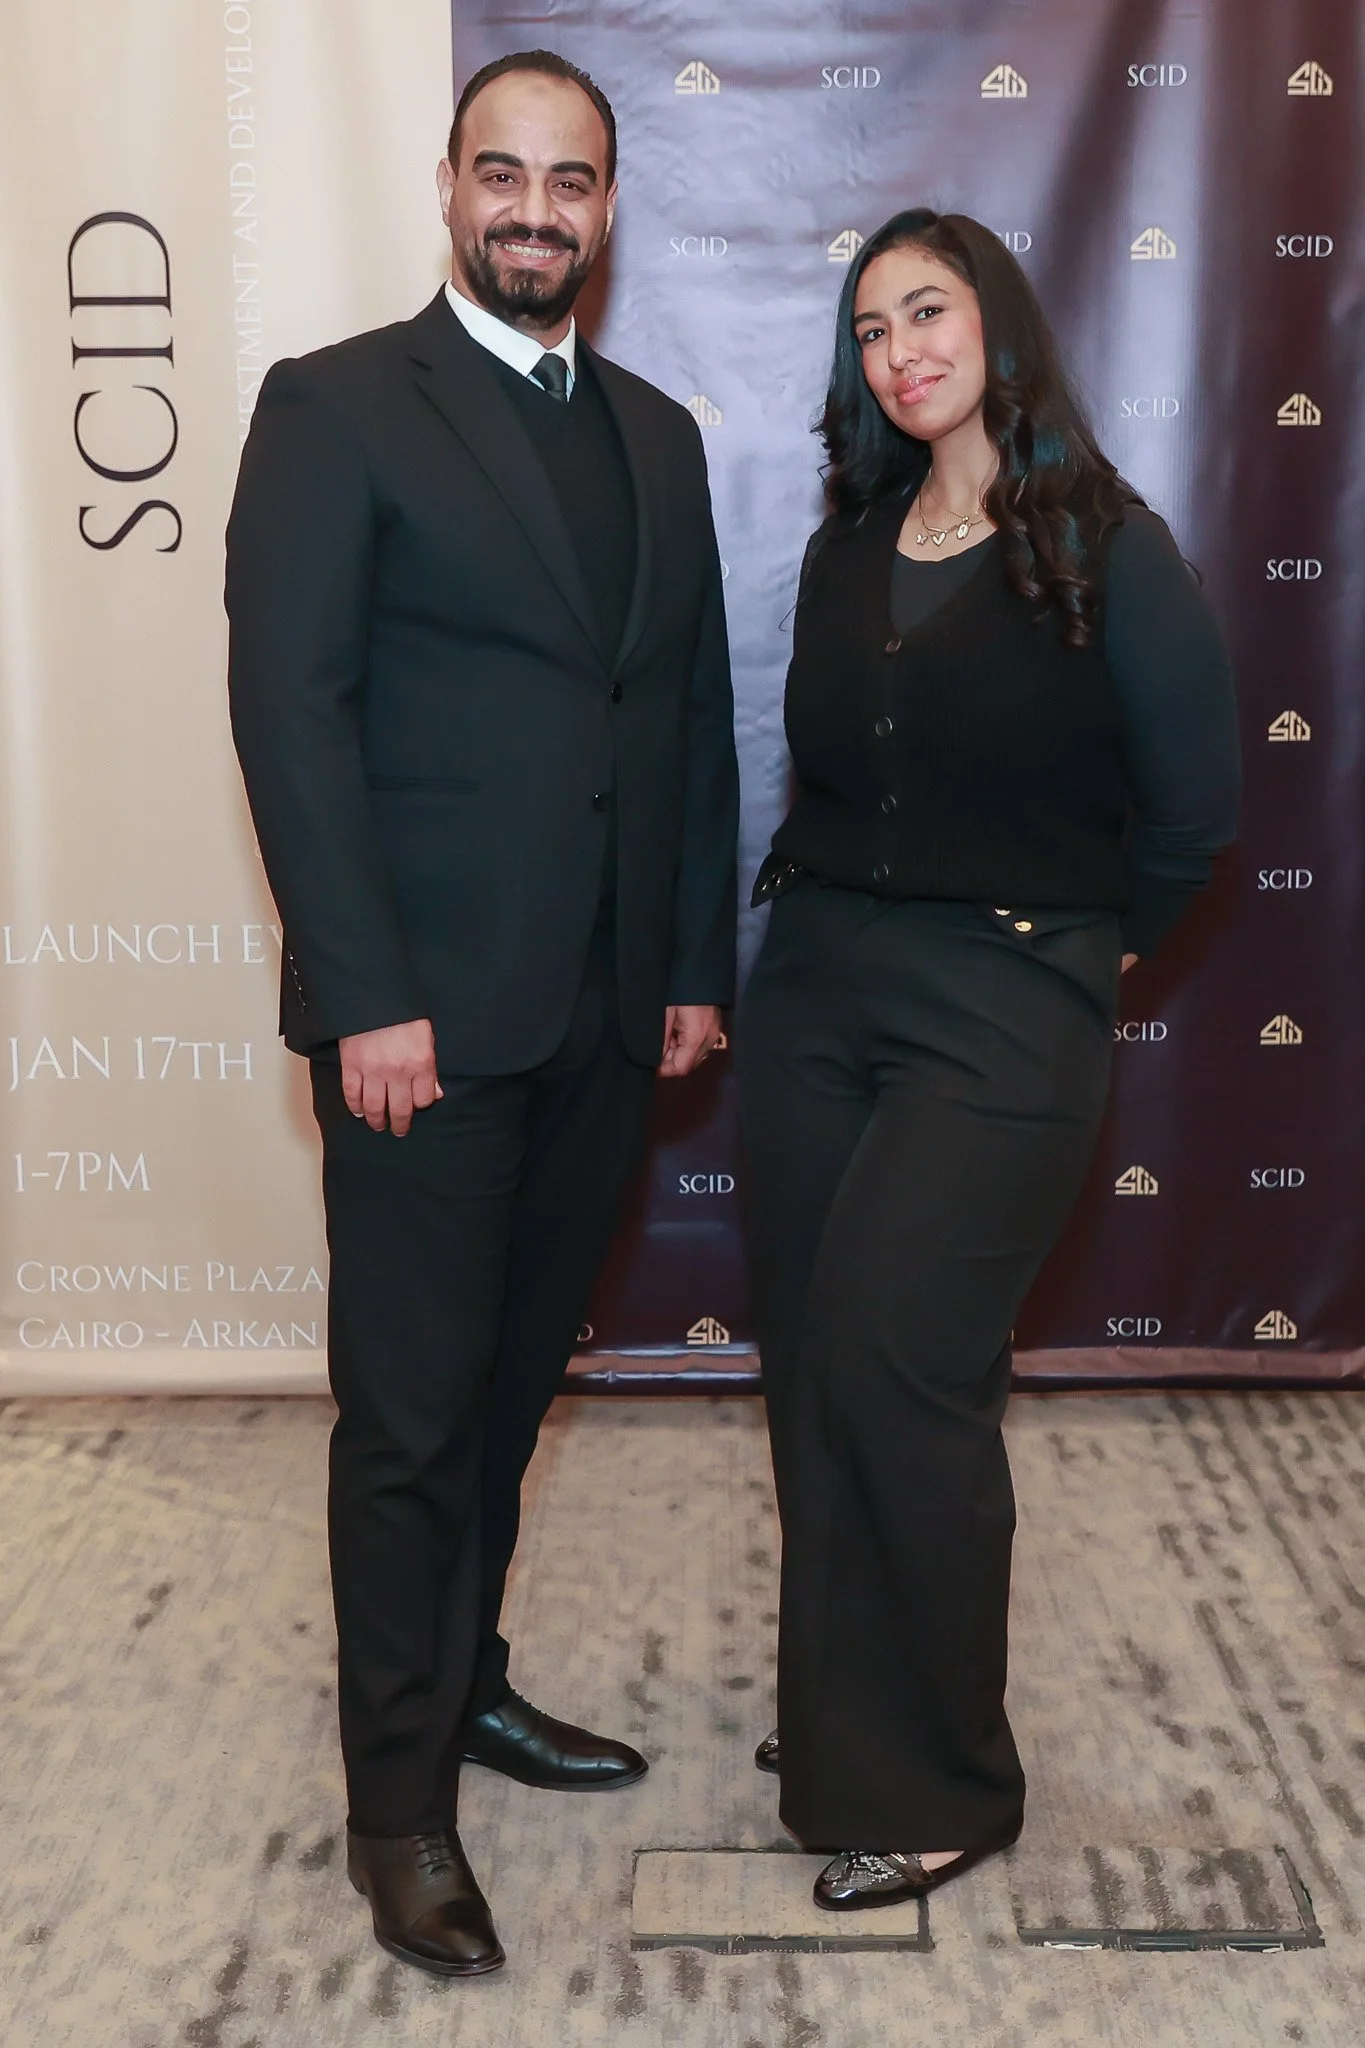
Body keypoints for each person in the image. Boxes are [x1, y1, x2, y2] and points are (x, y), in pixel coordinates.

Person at [225, 51, 737, 1978]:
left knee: (511, 1400)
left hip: (605, 1019)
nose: (538, 208)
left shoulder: (661, 434)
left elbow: (680, 717)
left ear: (611, 207)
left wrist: (690, 965)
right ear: (449, 187)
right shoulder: (338, 406)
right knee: (415, 1424)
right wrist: (363, 995)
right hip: (421, 1036)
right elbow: (295, 717)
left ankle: (473, 1682)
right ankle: (398, 1805)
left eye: (574, 180)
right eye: (503, 172)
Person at [738, 209, 1238, 1911]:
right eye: (872, 328)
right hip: (817, 991)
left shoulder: (1109, 546)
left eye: (928, 310)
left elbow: (1195, 819)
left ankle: (947, 1781)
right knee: (815, 1363)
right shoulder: (853, 540)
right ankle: (842, 1719)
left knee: (899, 1357)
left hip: (1006, 1004)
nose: (901, 350)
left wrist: (1077, 958)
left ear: (996, 322)